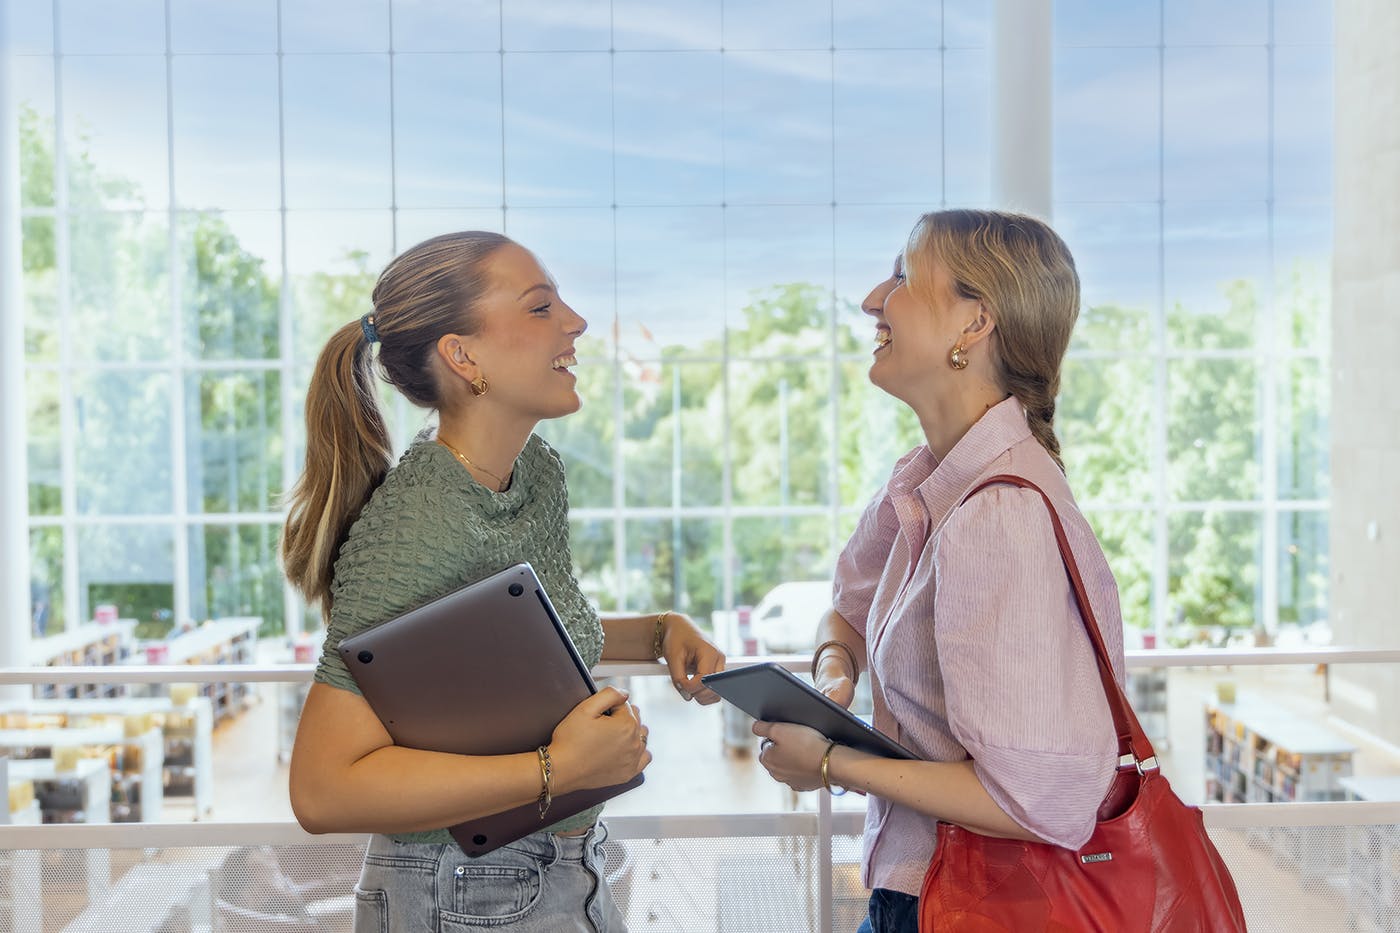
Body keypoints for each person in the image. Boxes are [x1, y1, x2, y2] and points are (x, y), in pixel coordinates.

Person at [282, 231, 725, 932]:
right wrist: (556, 767)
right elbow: (321, 788)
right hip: (461, 891)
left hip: (563, 869)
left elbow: (509, 645)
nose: (576, 322)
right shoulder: (419, 520)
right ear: (464, 356)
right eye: (541, 307)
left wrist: (660, 630)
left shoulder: (537, 474)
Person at [752, 210, 1126, 933]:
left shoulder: (999, 516)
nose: (871, 300)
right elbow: (850, 605)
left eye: (901, 277)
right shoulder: (930, 480)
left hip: (964, 905)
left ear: (974, 323)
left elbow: (1039, 800)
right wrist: (836, 677)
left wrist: (831, 762)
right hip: (916, 893)